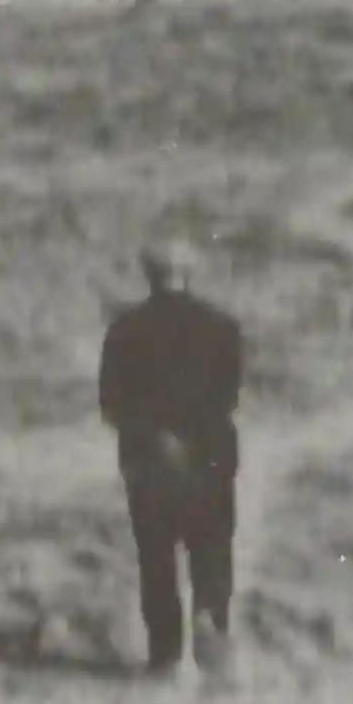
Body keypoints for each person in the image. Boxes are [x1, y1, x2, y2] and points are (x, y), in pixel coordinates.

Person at [97, 237, 244, 676]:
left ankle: (165, 655)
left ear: (148, 274)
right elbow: (228, 396)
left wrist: (158, 436)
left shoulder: (125, 330)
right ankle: (210, 620)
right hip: (209, 455)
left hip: (150, 459)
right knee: (212, 548)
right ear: (189, 274)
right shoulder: (221, 326)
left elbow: (111, 403)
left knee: (157, 556)